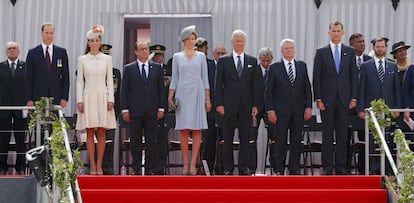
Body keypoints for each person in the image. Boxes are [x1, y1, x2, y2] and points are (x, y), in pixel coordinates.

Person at [313, 21, 358, 175]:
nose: (336, 33)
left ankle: (341, 166)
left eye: (338, 31)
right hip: (327, 100)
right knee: (327, 133)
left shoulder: (350, 51)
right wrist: (318, 98)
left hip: (345, 99)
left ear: (343, 33)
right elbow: (316, 76)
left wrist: (354, 98)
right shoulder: (321, 52)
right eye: (333, 30)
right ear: (329, 32)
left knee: (342, 134)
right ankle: (327, 166)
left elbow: (354, 76)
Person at [216, 29, 262, 175]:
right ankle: (228, 168)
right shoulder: (224, 61)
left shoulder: (252, 61)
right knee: (228, 138)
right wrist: (219, 104)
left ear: (245, 42)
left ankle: (243, 168)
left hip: (246, 106)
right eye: (237, 40)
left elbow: (256, 85)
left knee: (245, 138)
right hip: (228, 106)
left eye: (241, 40)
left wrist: (255, 105)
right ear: (232, 42)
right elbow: (218, 84)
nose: (239, 43)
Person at [168, 25, 211, 175]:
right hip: (182, 94)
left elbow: (205, 78)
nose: (191, 42)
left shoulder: (201, 57)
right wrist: (170, 96)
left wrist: (207, 99)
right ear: (183, 41)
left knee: (197, 129)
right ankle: (185, 162)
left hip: (198, 93)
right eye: (189, 39)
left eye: (193, 39)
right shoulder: (177, 57)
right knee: (184, 129)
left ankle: (194, 163)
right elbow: (175, 78)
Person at [266, 39, 312, 175]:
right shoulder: (274, 68)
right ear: (281, 51)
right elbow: (268, 91)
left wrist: (308, 107)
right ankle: (279, 168)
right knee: (280, 141)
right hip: (280, 111)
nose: (289, 50)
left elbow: (307, 88)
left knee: (296, 141)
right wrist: (270, 110)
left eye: (291, 48)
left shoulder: (302, 66)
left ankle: (294, 168)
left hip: (298, 110)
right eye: (286, 48)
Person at [75, 25, 117, 175]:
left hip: (103, 96)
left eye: (97, 40)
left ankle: (100, 164)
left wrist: (111, 98)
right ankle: (92, 164)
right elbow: (80, 81)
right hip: (88, 96)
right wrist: (79, 100)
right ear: (88, 43)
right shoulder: (82, 59)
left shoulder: (107, 59)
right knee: (89, 131)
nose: (94, 43)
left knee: (102, 132)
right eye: (92, 41)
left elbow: (110, 81)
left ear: (100, 42)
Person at [357, 37, 401, 174]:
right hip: (371, 110)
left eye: (382, 46)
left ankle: (385, 170)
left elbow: (396, 89)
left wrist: (397, 108)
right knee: (372, 140)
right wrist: (360, 109)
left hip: (388, 110)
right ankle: (373, 170)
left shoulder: (392, 66)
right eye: (378, 46)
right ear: (374, 48)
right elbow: (361, 88)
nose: (380, 49)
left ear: (385, 48)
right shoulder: (365, 66)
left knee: (386, 139)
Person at [25, 22, 69, 108]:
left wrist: (64, 97)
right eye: (47, 33)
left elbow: (65, 77)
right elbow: (28, 77)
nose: (49, 36)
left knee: (54, 120)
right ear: (42, 34)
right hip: (37, 96)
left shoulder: (61, 52)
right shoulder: (33, 53)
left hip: (56, 96)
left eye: (51, 33)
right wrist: (28, 98)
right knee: (39, 121)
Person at [0, 42, 27, 175]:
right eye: (9, 49)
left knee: (20, 138)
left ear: (19, 50)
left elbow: (29, 86)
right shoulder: (1, 67)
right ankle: (2, 166)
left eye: (14, 48)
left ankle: (20, 166)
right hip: (3, 108)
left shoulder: (26, 67)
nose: (12, 51)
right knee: (3, 138)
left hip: (20, 107)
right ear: (6, 52)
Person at [247, 47, 274, 175]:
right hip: (255, 109)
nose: (266, 64)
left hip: (270, 109)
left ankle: (274, 168)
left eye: (268, 61)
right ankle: (252, 168)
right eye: (263, 61)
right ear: (259, 59)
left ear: (272, 59)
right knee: (252, 139)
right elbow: (249, 90)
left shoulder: (275, 70)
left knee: (274, 138)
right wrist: (252, 106)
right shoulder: (253, 71)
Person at [348, 33, 372, 175]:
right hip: (348, 108)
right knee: (345, 140)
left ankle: (363, 169)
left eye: (363, 41)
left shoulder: (369, 60)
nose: (363, 44)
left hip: (365, 108)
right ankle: (345, 168)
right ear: (352, 45)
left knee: (366, 141)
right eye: (359, 42)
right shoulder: (346, 60)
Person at [202, 44, 227, 175]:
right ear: (213, 54)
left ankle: (224, 170)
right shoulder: (207, 67)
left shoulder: (230, 65)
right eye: (218, 53)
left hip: (226, 111)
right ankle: (208, 170)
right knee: (209, 141)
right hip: (209, 109)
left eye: (223, 53)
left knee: (224, 141)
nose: (221, 56)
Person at [100, 43, 121, 175]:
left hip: (111, 111)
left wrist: (117, 110)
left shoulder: (115, 72)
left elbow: (119, 93)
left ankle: (108, 167)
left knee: (110, 141)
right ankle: (97, 165)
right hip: (96, 110)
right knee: (97, 140)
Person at [148, 44, 169, 175]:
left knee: (162, 139)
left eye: (160, 55)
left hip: (167, 109)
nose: (159, 57)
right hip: (151, 109)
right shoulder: (149, 69)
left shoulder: (169, 69)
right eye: (156, 55)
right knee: (151, 139)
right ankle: (151, 166)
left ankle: (161, 167)